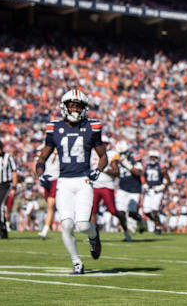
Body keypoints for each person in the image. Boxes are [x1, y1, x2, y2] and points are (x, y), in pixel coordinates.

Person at [34, 89, 107, 274]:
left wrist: (98, 170)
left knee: (83, 225)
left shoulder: (93, 127)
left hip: (83, 181)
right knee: (66, 224)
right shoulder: (54, 128)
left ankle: (94, 236)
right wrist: (40, 172)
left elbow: (103, 155)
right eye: (72, 105)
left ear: (84, 108)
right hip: (64, 182)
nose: (75, 109)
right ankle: (77, 263)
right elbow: (43, 156)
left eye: (78, 106)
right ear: (64, 107)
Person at [90, 139, 130, 237]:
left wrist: (105, 169)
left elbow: (117, 172)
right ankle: (93, 236)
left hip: (107, 185)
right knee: (92, 211)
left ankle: (125, 229)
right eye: (102, 143)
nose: (103, 145)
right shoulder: (91, 153)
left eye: (105, 143)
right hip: (94, 185)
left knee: (113, 210)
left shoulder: (112, 154)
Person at [113, 141, 145, 241]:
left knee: (132, 213)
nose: (121, 155)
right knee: (120, 213)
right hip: (122, 188)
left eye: (123, 153)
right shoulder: (116, 159)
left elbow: (139, 172)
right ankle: (127, 234)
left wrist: (127, 164)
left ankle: (141, 220)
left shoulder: (134, 157)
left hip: (134, 189)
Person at [142, 150, 170, 234]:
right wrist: (144, 184)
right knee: (146, 211)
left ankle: (158, 227)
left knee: (154, 210)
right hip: (149, 191)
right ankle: (157, 223)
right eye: (151, 157)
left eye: (155, 157)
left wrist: (162, 186)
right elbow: (143, 177)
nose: (153, 159)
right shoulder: (146, 166)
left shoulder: (161, 167)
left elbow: (168, 180)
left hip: (157, 191)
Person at [38, 148, 59, 239]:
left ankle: (45, 230)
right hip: (47, 179)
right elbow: (38, 162)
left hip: (56, 178)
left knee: (51, 204)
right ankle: (49, 226)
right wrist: (40, 175)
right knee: (50, 205)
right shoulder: (46, 148)